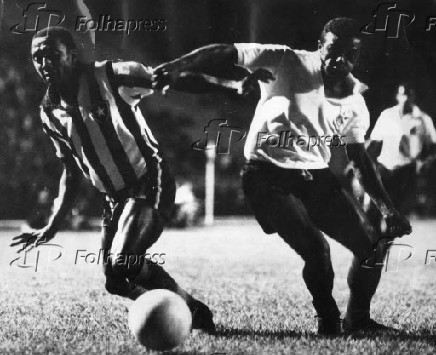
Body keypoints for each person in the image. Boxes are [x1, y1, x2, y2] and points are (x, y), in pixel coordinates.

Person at [153, 17, 412, 334]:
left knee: (372, 246)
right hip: (265, 175)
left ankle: (358, 318)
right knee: (318, 252)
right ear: (320, 47)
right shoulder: (286, 60)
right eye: (333, 50)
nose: (339, 60)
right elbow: (223, 50)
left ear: (357, 57)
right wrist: (178, 66)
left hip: (315, 176)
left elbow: (360, 159)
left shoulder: (356, 102)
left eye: (349, 54)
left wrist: (387, 209)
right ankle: (327, 320)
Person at [8, 26, 267, 334]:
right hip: (114, 199)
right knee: (115, 281)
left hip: (148, 180)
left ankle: (181, 311)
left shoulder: (110, 76)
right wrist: (52, 225)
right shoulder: (49, 112)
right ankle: (185, 309)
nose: (44, 63)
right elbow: (71, 172)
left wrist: (232, 86)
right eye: (37, 57)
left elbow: (169, 78)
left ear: (72, 56)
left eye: (51, 54)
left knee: (124, 260)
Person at [366, 84, 436, 233]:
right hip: (384, 168)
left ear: (413, 97)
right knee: (372, 216)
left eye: (409, 95)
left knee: (396, 221)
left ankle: (380, 253)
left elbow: (433, 147)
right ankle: (370, 252)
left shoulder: (423, 119)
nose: (406, 98)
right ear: (397, 96)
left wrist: (424, 163)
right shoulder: (387, 115)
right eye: (403, 95)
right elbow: (374, 142)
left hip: (406, 172)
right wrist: (360, 161)